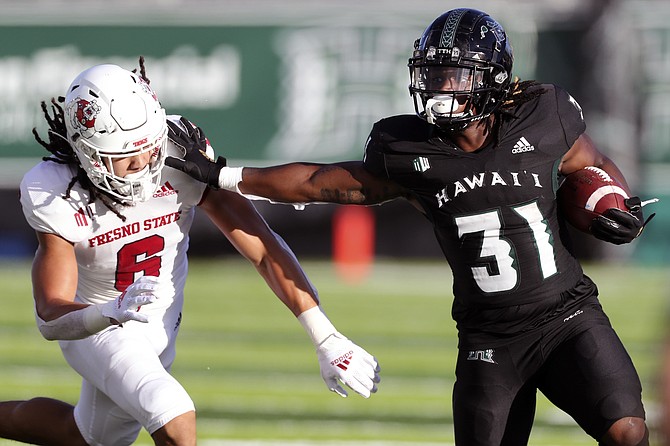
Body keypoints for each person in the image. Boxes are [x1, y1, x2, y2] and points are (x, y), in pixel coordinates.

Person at [165, 8, 656, 446]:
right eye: (434, 74)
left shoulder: (542, 115)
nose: (440, 88)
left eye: (455, 75)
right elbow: (318, 183)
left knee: (627, 431)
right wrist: (224, 173)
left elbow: (588, 162)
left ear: (491, 78)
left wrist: (610, 198)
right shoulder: (407, 149)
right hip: (489, 338)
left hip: (566, 315)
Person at [1, 60, 380, 446]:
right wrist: (108, 312)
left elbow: (262, 247)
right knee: (174, 414)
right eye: (127, 159)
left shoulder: (179, 150)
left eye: (150, 149)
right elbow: (51, 314)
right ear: (89, 155)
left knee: (88, 437)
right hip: (98, 323)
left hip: (160, 325)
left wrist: (325, 337)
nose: (146, 164)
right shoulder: (55, 190)